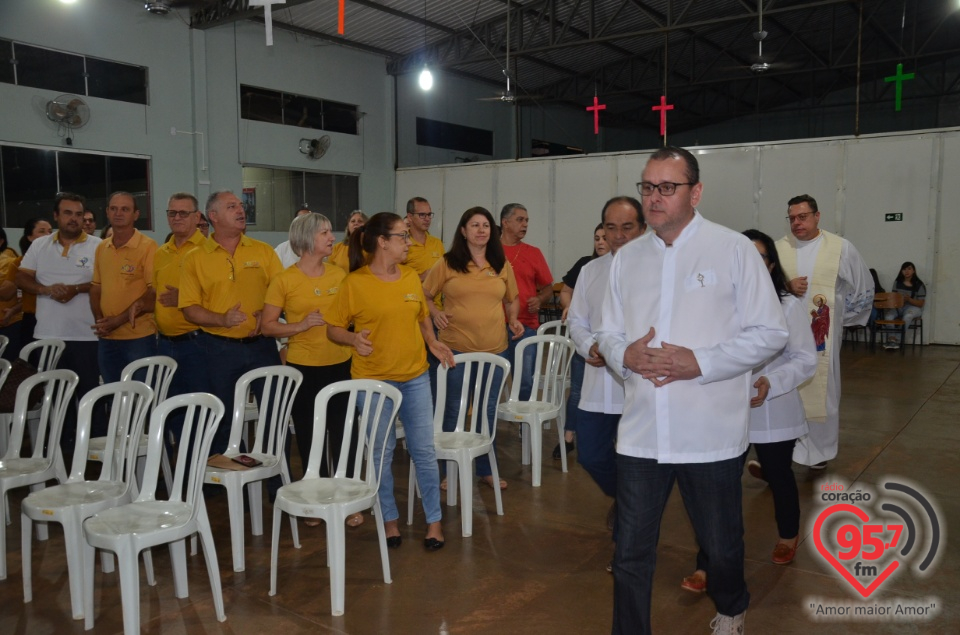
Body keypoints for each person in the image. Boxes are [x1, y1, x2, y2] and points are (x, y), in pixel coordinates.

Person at [596, 147, 788, 635]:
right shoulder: (627, 258)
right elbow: (608, 331)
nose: (653, 198)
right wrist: (626, 356)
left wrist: (698, 362)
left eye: (666, 187)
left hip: (709, 429)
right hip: (641, 431)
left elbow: (770, 332)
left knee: (720, 543)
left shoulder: (732, 250)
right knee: (631, 550)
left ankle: (731, 605)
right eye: (647, 187)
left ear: (695, 192)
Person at [684, 230, 817, 594]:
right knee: (719, 486)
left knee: (778, 474)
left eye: (760, 257)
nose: (752, 264)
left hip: (773, 407)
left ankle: (788, 536)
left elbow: (805, 359)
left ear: (771, 265)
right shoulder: (719, 303)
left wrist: (771, 382)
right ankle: (708, 562)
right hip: (727, 407)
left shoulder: (788, 305)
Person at [326, 212, 453, 551]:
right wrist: (353, 340)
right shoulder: (355, 283)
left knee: (424, 450)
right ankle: (389, 519)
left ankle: (434, 521)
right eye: (402, 236)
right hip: (373, 381)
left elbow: (423, 318)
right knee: (381, 452)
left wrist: (432, 342)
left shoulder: (411, 277)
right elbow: (333, 327)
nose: (408, 242)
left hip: (414, 376)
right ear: (383, 241)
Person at [261, 213, 362, 527]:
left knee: (345, 435)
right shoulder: (284, 280)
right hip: (304, 369)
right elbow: (267, 326)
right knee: (309, 435)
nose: (332, 237)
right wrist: (300, 326)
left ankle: (348, 499)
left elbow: (353, 315)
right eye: (324, 233)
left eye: (331, 232)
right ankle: (314, 498)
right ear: (306, 239)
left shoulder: (339, 275)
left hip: (341, 366)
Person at [422, 206, 522, 491]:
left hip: (495, 350)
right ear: (463, 231)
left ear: (492, 231)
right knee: (452, 409)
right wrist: (435, 312)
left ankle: (484, 469)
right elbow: (425, 295)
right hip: (456, 350)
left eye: (486, 225)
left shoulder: (501, 263)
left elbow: (512, 299)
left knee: (486, 410)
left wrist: (513, 318)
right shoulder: (448, 263)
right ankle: (448, 469)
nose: (481, 230)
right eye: (475, 225)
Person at [567, 197, 645, 559]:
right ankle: (626, 499)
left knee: (635, 463)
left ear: (643, 228)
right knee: (592, 454)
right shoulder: (591, 271)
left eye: (627, 227)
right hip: (600, 380)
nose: (618, 235)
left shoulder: (656, 270)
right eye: (610, 227)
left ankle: (626, 549)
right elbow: (576, 321)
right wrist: (589, 346)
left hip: (641, 386)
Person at [179, 190, 283, 457]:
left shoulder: (263, 251)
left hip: (262, 347)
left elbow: (283, 293)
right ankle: (234, 480)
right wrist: (221, 319)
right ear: (212, 216)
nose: (240, 210)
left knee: (273, 412)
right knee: (223, 416)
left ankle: (275, 481)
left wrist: (265, 313)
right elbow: (189, 309)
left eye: (240, 205)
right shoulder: (194, 257)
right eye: (231, 206)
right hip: (218, 349)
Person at [775, 194, 873, 469]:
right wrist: (785, 285)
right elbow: (761, 286)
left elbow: (862, 285)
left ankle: (819, 453)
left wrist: (841, 318)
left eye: (802, 216)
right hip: (784, 339)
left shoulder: (841, 248)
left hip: (822, 336)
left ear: (818, 216)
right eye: (792, 218)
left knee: (823, 393)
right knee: (785, 391)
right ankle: (783, 454)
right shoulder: (778, 249)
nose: (797, 223)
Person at [16, 192, 103, 471]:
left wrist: (76, 289)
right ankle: (59, 454)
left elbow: (103, 283)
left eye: (78, 214)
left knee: (89, 396)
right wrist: (46, 290)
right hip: (49, 336)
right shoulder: (40, 245)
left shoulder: (99, 246)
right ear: (56, 216)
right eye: (68, 213)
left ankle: (92, 453)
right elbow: (21, 276)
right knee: (54, 397)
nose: (74, 219)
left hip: (87, 335)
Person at [153, 192, 207, 455]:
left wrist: (185, 298)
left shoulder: (208, 250)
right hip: (164, 342)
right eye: (172, 213)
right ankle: (180, 467)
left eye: (183, 213)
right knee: (170, 407)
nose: (176, 218)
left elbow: (220, 298)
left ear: (197, 217)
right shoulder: (161, 252)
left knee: (198, 409)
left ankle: (201, 467)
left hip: (196, 342)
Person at [90, 191, 158, 383]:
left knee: (140, 400)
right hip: (107, 339)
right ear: (107, 212)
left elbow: (152, 294)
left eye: (125, 209)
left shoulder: (148, 247)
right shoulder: (102, 248)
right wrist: (100, 321)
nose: (118, 213)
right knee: (113, 397)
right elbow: (96, 288)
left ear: (136, 215)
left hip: (138, 338)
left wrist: (118, 321)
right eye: (114, 209)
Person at [554, 223, 609, 459]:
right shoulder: (586, 265)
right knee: (577, 390)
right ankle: (568, 437)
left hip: (615, 343)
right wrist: (569, 306)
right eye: (596, 238)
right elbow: (565, 291)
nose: (600, 242)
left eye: (604, 238)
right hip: (586, 338)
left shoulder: (626, 266)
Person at [500, 203, 553, 401]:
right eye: (520, 220)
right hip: (494, 326)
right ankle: (487, 428)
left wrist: (539, 299)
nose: (525, 224)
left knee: (525, 381)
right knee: (491, 379)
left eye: (527, 220)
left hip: (526, 327)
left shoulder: (533, 253)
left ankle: (526, 429)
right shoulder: (489, 252)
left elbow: (548, 288)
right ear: (505, 223)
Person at [15, 219, 52, 345]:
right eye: (42, 231)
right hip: (32, 317)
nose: (48, 235)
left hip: (55, 317)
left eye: (50, 231)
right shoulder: (19, 263)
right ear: (29, 237)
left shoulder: (59, 261)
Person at [884, 261, 926, 349]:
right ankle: (891, 339)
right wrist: (897, 301)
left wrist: (909, 299)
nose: (906, 271)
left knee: (907, 316)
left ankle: (896, 340)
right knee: (888, 317)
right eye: (904, 269)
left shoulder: (919, 284)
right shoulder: (897, 282)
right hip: (898, 307)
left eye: (909, 269)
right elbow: (893, 296)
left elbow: (921, 303)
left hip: (913, 307)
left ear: (914, 271)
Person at [404, 197, 445, 280]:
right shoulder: (402, 244)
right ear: (410, 217)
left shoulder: (437, 243)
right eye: (422, 215)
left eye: (429, 214)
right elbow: (394, 280)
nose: (427, 219)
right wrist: (421, 277)